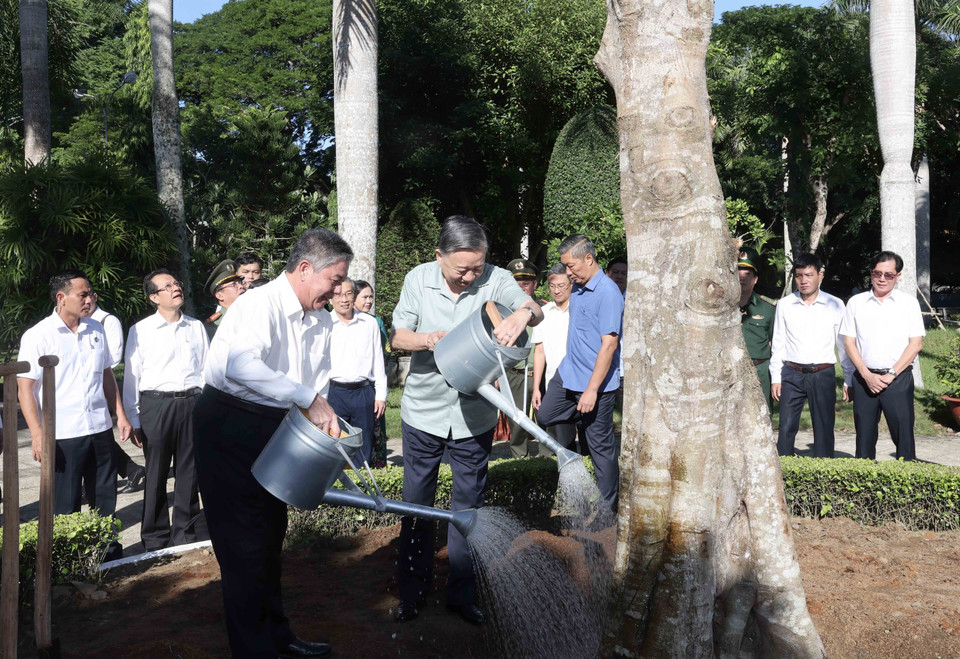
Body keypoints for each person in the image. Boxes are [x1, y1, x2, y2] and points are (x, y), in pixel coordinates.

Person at [193, 228, 351, 658]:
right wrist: (308, 400)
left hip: (277, 426)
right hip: (229, 424)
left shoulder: (320, 319)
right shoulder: (258, 304)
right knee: (243, 549)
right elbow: (241, 366)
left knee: (269, 538)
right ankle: (255, 651)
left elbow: (314, 382)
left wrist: (315, 422)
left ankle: (279, 637)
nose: (340, 290)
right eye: (335, 280)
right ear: (305, 269)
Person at [391, 215, 543, 625]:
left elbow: (533, 307)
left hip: (475, 416)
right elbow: (397, 335)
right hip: (423, 412)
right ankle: (412, 591)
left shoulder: (495, 278)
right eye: (462, 269)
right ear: (439, 256)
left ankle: (462, 594)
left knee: (468, 509)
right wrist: (426, 340)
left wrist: (521, 316)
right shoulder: (417, 279)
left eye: (477, 268)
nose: (470, 277)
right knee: (416, 505)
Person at [17, 271, 133, 559]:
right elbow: (25, 389)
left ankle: (108, 556)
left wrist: (120, 414)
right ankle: (70, 563)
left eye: (90, 293)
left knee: (104, 498)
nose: (89, 299)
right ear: (61, 297)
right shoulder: (39, 335)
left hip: (99, 428)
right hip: (63, 435)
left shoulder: (95, 328)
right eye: (83, 294)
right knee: (65, 505)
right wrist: (37, 434)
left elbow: (106, 374)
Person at [536, 235, 623, 513]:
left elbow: (609, 345)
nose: (568, 272)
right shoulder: (577, 287)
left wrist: (591, 391)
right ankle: (584, 418)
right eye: (565, 267)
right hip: (567, 373)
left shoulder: (608, 293)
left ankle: (607, 512)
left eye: (570, 266)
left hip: (595, 384)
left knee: (600, 449)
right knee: (545, 415)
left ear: (589, 258)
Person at [123, 270, 208, 551]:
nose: (175, 288)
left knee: (189, 472)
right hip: (156, 406)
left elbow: (206, 370)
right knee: (156, 473)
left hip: (192, 402)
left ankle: (185, 534)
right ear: (154, 297)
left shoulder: (195, 327)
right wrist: (133, 418)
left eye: (176, 284)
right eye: (167, 286)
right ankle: (155, 538)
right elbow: (132, 376)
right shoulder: (141, 330)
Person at [840, 251, 925, 461]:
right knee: (864, 439)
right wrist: (866, 375)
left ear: (898, 276)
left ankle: (907, 477)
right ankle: (863, 478)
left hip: (898, 379)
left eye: (889, 275)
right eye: (877, 273)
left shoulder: (909, 303)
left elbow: (916, 344)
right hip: (864, 379)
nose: (882, 279)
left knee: (904, 438)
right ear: (871, 273)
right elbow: (849, 342)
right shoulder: (856, 303)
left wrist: (891, 375)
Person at [770, 253, 850, 458]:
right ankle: (784, 467)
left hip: (822, 374)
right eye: (799, 276)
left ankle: (824, 470)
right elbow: (778, 343)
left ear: (820, 275)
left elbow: (843, 346)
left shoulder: (835, 304)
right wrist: (776, 377)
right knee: (786, 427)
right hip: (791, 373)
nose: (803, 281)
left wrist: (848, 378)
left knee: (824, 429)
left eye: (809, 275)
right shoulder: (785, 304)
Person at [87, 292, 146, 494]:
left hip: (102, 385)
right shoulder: (78, 322)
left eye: (88, 295)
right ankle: (131, 470)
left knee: (97, 437)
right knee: (91, 437)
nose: (85, 301)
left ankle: (128, 470)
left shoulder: (107, 320)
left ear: (95, 296)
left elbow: (113, 356)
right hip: (83, 388)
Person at [327, 278, 387, 465]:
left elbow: (378, 360)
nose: (344, 299)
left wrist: (381, 395)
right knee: (334, 446)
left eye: (348, 293)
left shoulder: (369, 323)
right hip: (334, 393)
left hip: (363, 393)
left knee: (363, 447)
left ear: (354, 296)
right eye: (338, 295)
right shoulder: (324, 323)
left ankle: (363, 482)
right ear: (330, 298)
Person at [531, 264, 578, 453]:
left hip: (583, 383)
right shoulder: (542, 313)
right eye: (552, 286)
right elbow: (539, 351)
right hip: (555, 385)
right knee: (564, 442)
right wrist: (536, 387)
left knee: (589, 438)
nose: (556, 291)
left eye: (561, 286)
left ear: (571, 284)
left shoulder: (580, 309)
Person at [505, 257, 540, 458]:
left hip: (541, 372)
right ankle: (520, 460)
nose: (521, 288)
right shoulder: (503, 312)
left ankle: (548, 459)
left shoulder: (546, 309)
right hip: (515, 373)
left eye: (525, 283)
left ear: (535, 284)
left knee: (547, 419)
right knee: (517, 420)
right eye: (516, 284)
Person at [353, 279, 389, 467]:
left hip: (372, 385)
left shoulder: (375, 322)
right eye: (364, 297)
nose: (369, 301)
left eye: (371, 297)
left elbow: (384, 353)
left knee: (373, 429)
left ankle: (376, 466)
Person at [738, 247, 776, 410]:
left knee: (762, 416)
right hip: (729, 373)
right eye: (738, 272)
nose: (742, 277)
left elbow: (776, 344)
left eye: (747, 274)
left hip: (759, 372)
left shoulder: (768, 307)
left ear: (755, 279)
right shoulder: (720, 307)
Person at [204, 260, 245, 339]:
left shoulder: (254, 313)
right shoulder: (215, 325)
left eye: (240, 282)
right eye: (233, 284)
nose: (241, 286)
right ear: (220, 296)